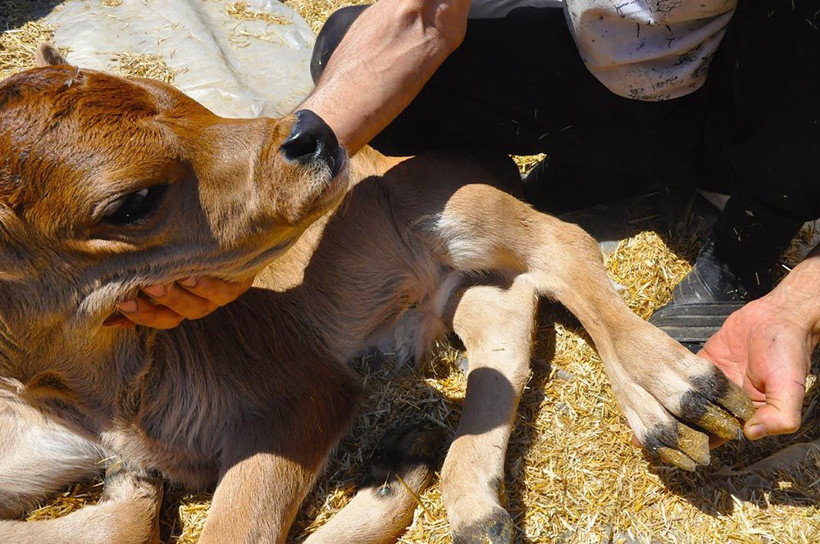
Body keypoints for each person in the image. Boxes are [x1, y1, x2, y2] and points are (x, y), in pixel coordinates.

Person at [108, 0, 819, 442]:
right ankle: (623, 150)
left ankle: (748, 240)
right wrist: (276, 202)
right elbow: (417, 17)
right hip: (631, 49)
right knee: (347, 46)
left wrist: (797, 301)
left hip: (766, 84)